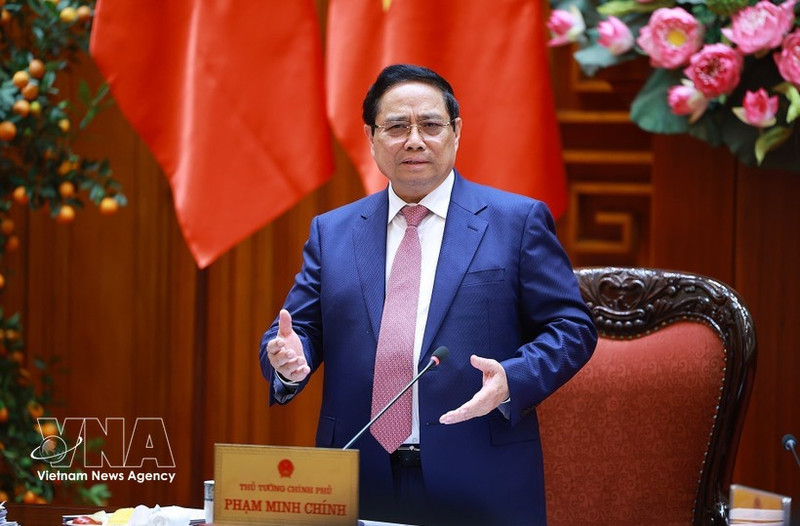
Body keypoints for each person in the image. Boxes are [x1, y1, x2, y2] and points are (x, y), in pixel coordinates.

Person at [259, 64, 597, 526]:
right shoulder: (332, 232)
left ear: (456, 132)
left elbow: (572, 328)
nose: (414, 140)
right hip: (359, 476)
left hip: (480, 474)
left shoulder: (516, 222)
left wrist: (513, 379)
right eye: (396, 126)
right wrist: (288, 360)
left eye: (431, 125)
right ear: (372, 137)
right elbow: (298, 332)